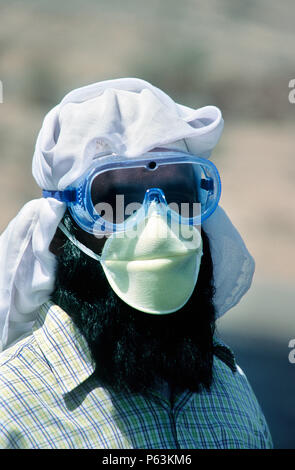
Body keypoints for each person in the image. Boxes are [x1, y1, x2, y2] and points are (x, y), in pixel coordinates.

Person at [0, 78, 273, 449]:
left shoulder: (232, 392)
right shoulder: (10, 412)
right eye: (115, 200)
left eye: (179, 195)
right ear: (58, 233)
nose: (157, 226)